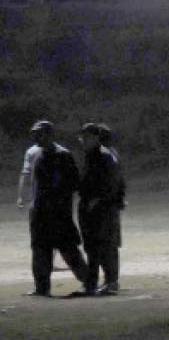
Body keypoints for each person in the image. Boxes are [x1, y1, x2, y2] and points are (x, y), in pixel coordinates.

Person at [24, 120, 90, 296]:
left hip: (58, 213)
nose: (37, 137)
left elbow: (72, 183)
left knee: (68, 250)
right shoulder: (37, 155)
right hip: (40, 212)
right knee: (40, 251)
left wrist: (59, 204)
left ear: (50, 134)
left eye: (41, 134)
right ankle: (41, 287)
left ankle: (89, 282)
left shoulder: (62, 155)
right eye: (35, 134)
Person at [77, 123, 125, 295]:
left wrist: (97, 200)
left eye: (88, 137)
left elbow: (111, 184)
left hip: (102, 208)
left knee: (105, 244)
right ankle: (92, 282)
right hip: (89, 207)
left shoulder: (105, 157)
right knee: (91, 246)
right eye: (82, 137)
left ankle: (111, 281)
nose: (83, 140)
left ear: (96, 138)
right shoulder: (89, 156)